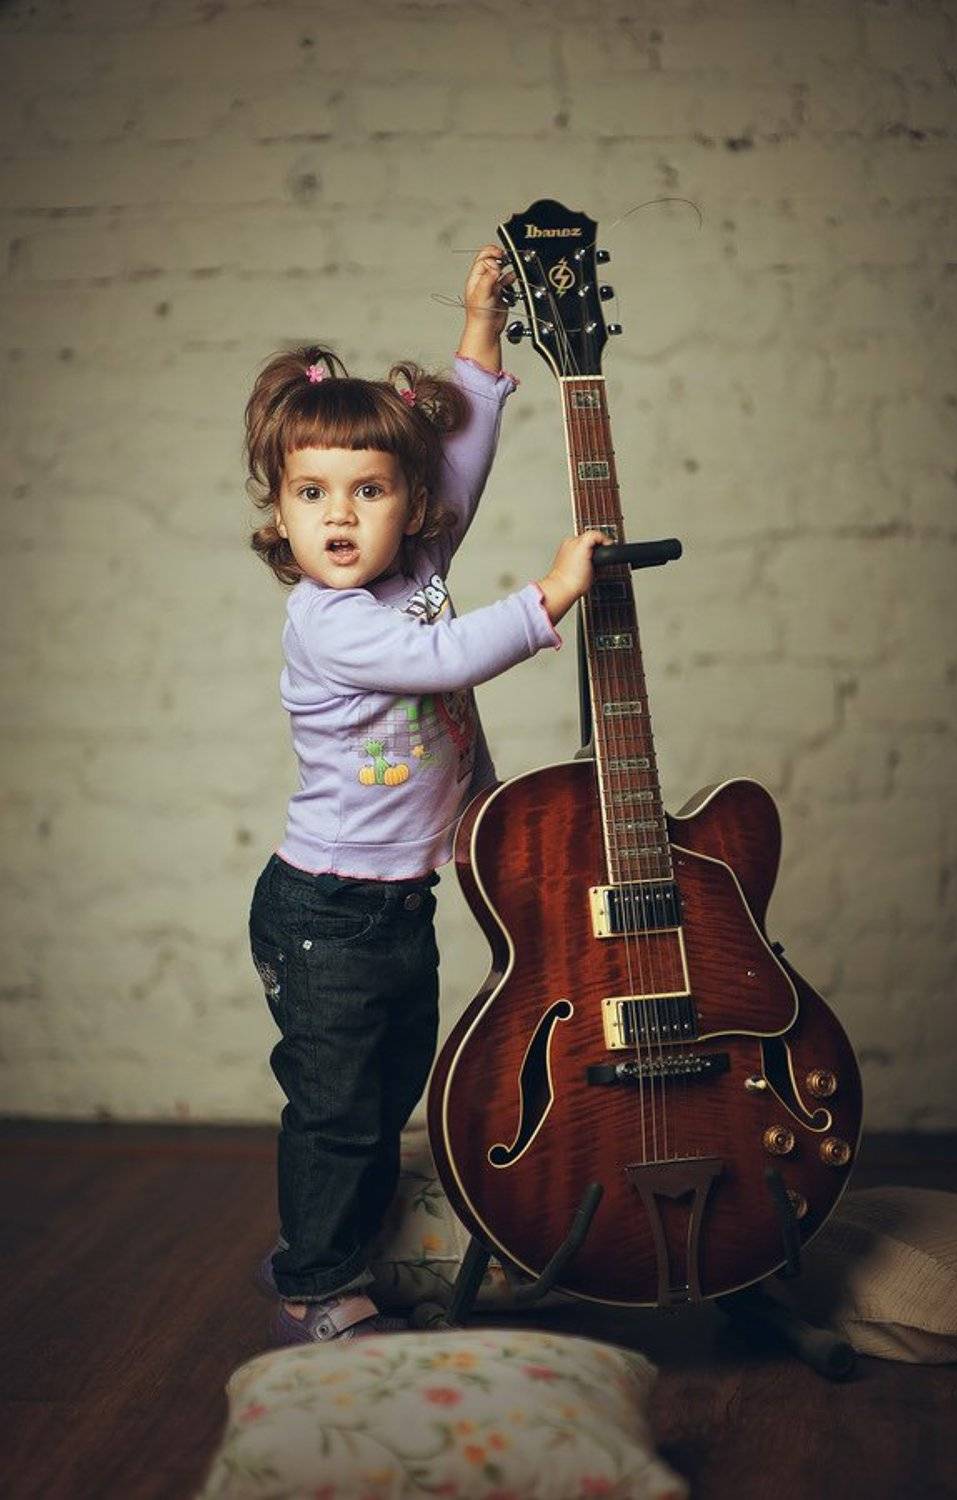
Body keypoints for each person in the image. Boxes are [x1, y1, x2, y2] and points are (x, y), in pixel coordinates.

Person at [245, 244, 608, 1345]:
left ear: (405, 508)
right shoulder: (336, 623)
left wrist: (482, 331)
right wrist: (550, 594)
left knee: (395, 1081)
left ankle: (354, 1238)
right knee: (341, 1109)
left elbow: (459, 468)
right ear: (281, 508)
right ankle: (315, 1279)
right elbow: (450, 657)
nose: (342, 516)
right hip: (326, 912)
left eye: (369, 491)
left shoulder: (407, 566)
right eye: (313, 494)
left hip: (396, 902)